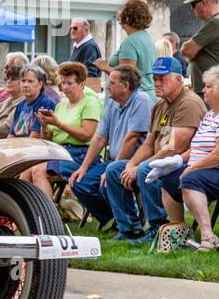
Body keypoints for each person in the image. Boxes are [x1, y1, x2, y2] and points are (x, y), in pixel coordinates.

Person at [100, 57, 206, 243]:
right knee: (114, 169)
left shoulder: (188, 102)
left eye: (162, 78)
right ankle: (129, 229)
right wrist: (131, 164)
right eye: (155, 78)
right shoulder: (159, 104)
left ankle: (159, 228)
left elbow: (175, 147)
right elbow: (149, 143)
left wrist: (139, 166)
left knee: (146, 169)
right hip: (164, 159)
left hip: (183, 162)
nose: (157, 83)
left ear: (179, 80)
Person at [68, 65, 152, 230]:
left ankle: (130, 226)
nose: (107, 86)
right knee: (79, 182)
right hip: (115, 160)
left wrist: (111, 169)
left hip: (134, 162)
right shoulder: (113, 103)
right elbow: (100, 137)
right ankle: (115, 217)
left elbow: (132, 139)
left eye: (112, 83)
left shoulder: (141, 100)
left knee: (110, 177)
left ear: (125, 86)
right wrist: (83, 168)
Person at [20, 61, 102, 200]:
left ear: (82, 84)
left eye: (70, 83)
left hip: (79, 154)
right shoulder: (61, 104)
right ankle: (25, 215)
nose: (65, 87)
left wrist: (59, 124)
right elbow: (49, 138)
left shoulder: (90, 103)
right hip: (59, 151)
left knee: (38, 171)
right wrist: (45, 126)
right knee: (26, 169)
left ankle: (47, 216)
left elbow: (87, 135)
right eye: (63, 83)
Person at [172, 65, 219, 250]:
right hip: (202, 169)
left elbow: (217, 154)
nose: (203, 90)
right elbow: (196, 147)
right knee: (167, 178)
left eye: (208, 86)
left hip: (214, 169)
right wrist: (176, 161)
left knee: (190, 179)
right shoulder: (209, 115)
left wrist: (192, 168)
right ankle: (180, 233)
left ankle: (208, 237)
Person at [95, 0, 156, 101]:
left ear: (127, 18)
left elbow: (127, 77)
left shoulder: (130, 42)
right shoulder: (148, 38)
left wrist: (104, 66)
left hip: (135, 100)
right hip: (149, 96)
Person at [180, 0, 219, 93]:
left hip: (207, 90)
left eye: (193, 4)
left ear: (204, 3)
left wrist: (194, 52)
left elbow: (186, 50)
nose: (192, 9)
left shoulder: (214, 23)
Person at [7, 66, 58, 139]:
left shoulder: (46, 103)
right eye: (23, 81)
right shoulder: (21, 105)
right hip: (17, 146)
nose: (25, 85)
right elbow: (11, 135)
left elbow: (35, 136)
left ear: (40, 84)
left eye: (30, 81)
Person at [68, 19, 103, 92]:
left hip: (85, 95)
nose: (72, 31)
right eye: (70, 28)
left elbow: (90, 75)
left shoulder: (90, 47)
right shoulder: (80, 46)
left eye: (75, 28)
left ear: (86, 30)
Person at [0, 61, 25, 139]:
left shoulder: (24, 103)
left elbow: (6, 128)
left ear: (23, 83)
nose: (8, 81)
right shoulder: (2, 104)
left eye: (13, 79)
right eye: (7, 78)